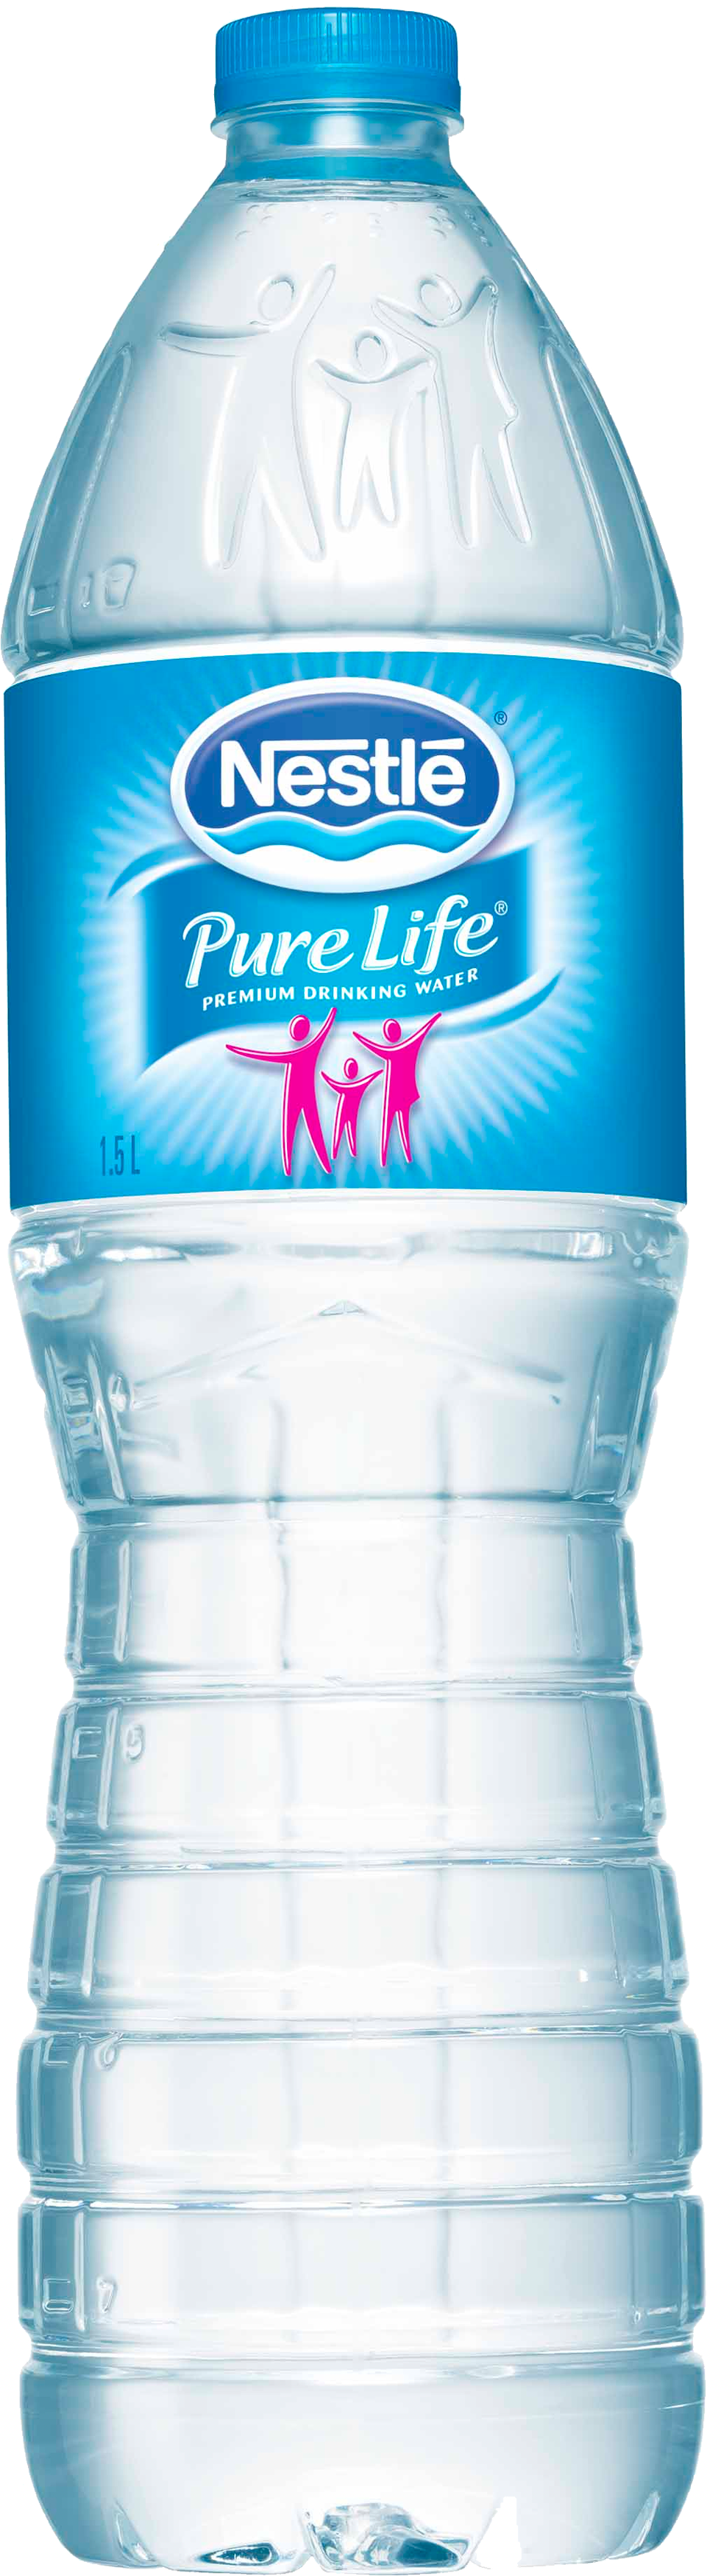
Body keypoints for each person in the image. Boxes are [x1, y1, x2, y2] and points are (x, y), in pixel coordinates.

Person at [227, 1007, 336, 1175]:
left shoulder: (302, 1052)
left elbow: (264, 1056)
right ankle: (304, 1167)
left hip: (297, 1096)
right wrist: (331, 1014)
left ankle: (291, 1168)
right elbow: (324, 1031)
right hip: (302, 1096)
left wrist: (238, 1050)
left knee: (291, 1133)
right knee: (304, 1132)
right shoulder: (312, 1049)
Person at [353, 1014, 441, 1165]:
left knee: (388, 1128)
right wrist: (434, 1018)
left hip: (395, 1095)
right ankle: (398, 1157)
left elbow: (375, 1048)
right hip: (404, 1094)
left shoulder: (396, 1050)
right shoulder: (410, 1045)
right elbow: (424, 1030)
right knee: (399, 1128)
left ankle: (387, 1157)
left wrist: (360, 1038)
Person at [322, 1055, 382, 1160]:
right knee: (347, 1134)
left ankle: (338, 1154)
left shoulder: (350, 1087)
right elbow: (370, 1078)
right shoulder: (360, 1085)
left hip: (345, 1112)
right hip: (351, 1113)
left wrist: (325, 1076)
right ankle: (343, 1153)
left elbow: (332, 1084)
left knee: (340, 1134)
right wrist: (377, 1073)